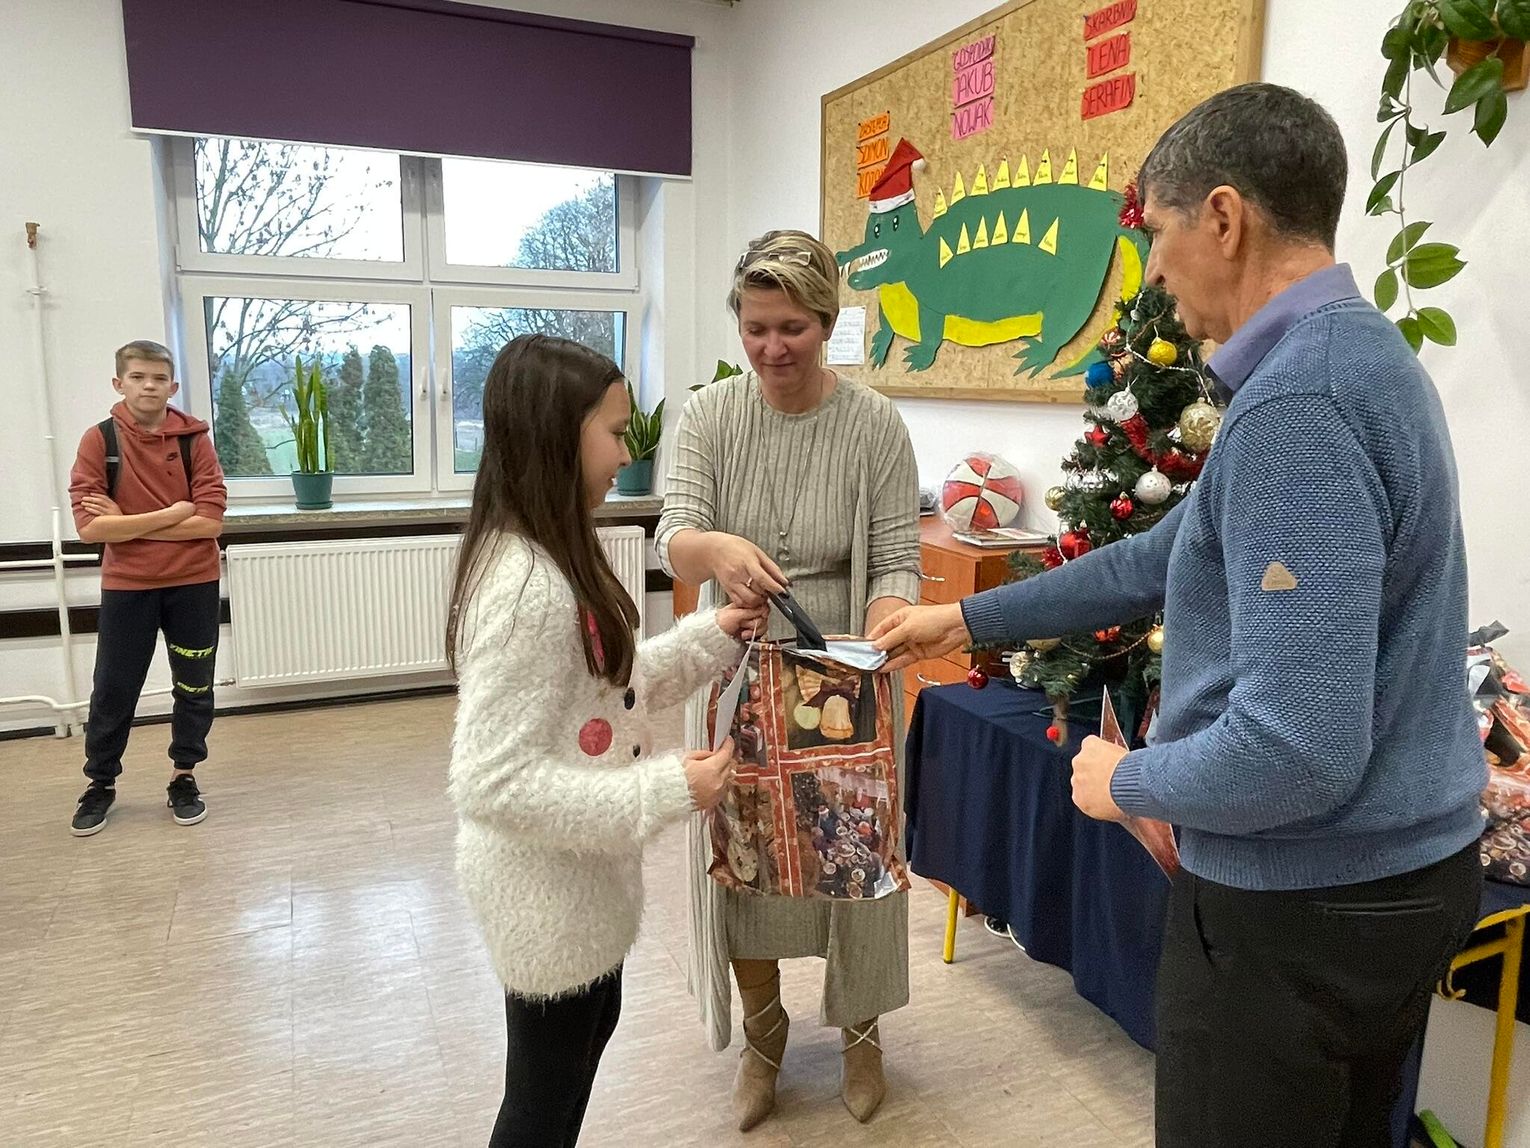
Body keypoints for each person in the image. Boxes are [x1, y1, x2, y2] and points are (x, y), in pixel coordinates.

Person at [871, 82, 1486, 1148]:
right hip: (1397, 883)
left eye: (1156, 232)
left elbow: (1297, 750)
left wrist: (1126, 783)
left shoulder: (1299, 404)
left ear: (1225, 218)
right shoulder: (1362, 354)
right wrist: (967, 621)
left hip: (1301, 912)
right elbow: (1168, 554)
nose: (1150, 269)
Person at [445, 333, 767, 1148]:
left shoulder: (555, 553)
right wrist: (670, 788)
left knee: (581, 1048)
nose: (628, 454)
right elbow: (491, 782)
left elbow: (607, 685)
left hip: (580, 889)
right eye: (616, 433)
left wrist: (712, 635)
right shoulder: (526, 588)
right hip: (545, 897)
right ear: (559, 436)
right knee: (540, 1105)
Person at [658, 229, 922, 1127]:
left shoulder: (875, 424)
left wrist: (881, 627)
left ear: (828, 322)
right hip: (738, 672)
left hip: (845, 679)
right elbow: (674, 536)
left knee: (860, 862)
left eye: (793, 329)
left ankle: (862, 1035)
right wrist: (717, 549)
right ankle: (764, 1040)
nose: (772, 348)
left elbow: (896, 557)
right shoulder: (710, 417)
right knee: (747, 863)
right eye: (755, 328)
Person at [67, 339, 227, 836]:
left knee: (194, 685)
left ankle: (184, 775)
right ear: (119, 383)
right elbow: (91, 529)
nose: (148, 386)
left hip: (194, 583)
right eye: (137, 377)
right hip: (128, 585)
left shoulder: (195, 440)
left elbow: (210, 523)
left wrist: (127, 523)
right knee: (113, 688)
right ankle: (100, 782)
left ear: (172, 386)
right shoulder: (99, 441)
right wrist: (172, 513)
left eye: (158, 378)